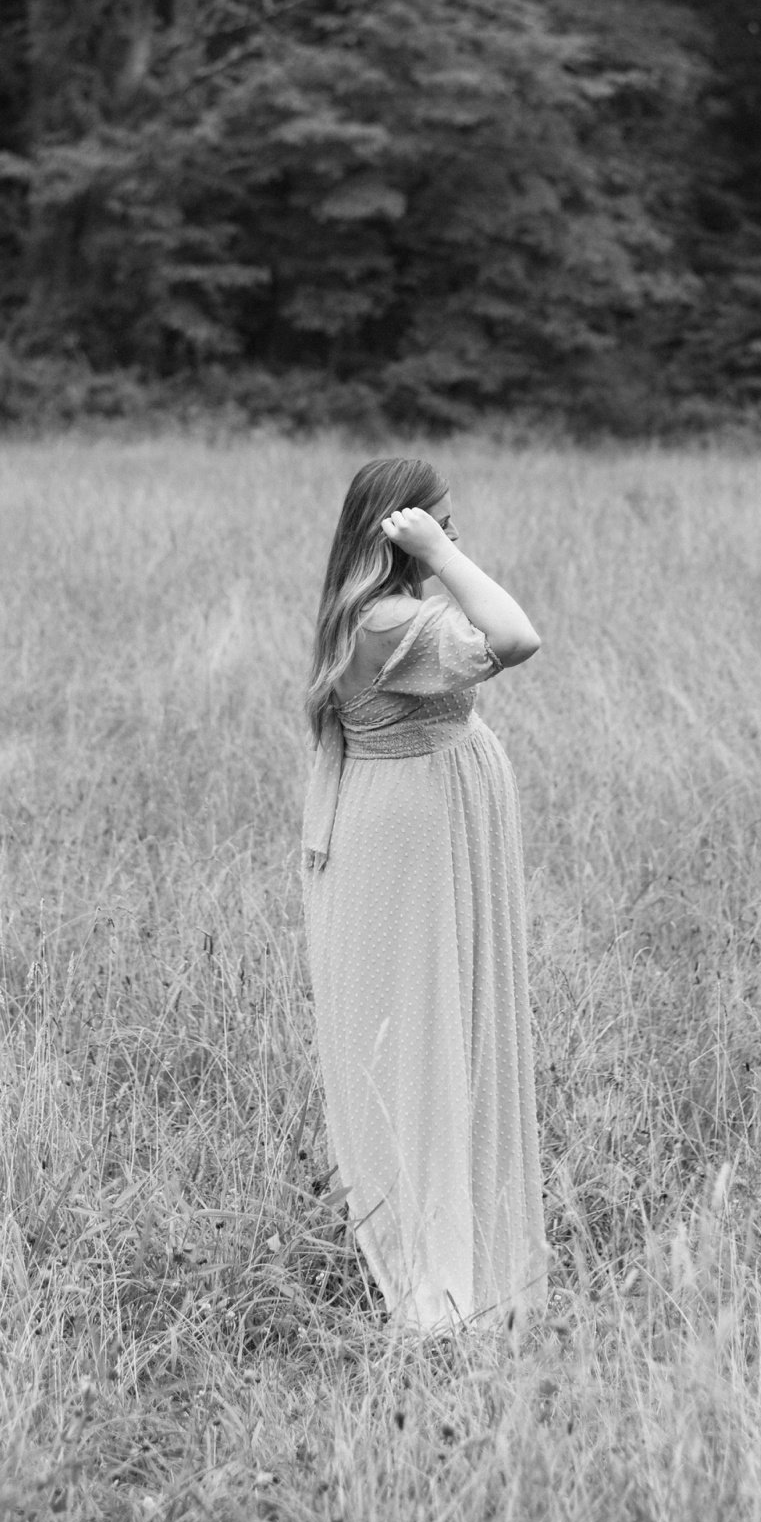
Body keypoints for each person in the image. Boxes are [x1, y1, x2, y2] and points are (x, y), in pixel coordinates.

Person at [301, 457, 548, 1333]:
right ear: (399, 531)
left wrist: (434, 547)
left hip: (418, 819)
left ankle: (432, 1215)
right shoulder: (395, 622)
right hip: (415, 830)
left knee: (435, 1015)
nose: (455, 533)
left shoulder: (359, 612)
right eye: (441, 521)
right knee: (428, 1025)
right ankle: (430, 1251)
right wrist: (441, 554)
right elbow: (517, 638)